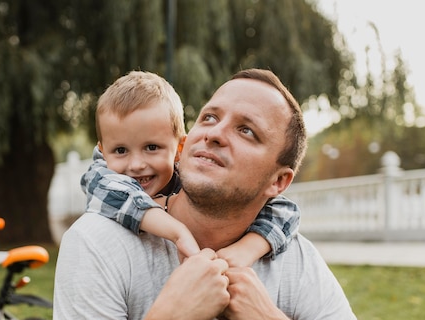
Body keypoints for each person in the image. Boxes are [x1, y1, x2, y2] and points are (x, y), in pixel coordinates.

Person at [51, 69, 412, 320]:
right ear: (185, 142)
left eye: (246, 131)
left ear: (279, 181)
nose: (214, 133)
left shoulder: (288, 256)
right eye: (209, 117)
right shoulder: (99, 238)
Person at [81, 70, 300, 264]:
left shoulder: (298, 262)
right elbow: (116, 193)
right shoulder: (103, 178)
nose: (136, 165)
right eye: (120, 150)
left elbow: (285, 211)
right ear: (103, 149)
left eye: (151, 147)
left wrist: (247, 250)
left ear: (179, 148)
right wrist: (177, 231)